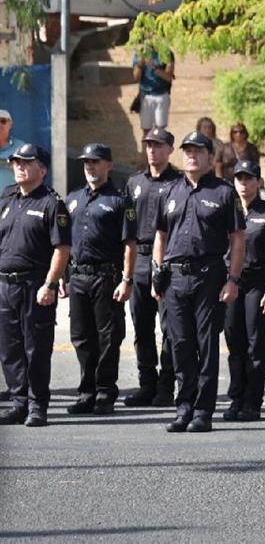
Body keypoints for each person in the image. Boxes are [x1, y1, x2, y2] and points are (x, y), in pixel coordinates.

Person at [153, 131, 245, 433]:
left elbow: (237, 238)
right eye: (187, 150)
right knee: (179, 344)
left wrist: (233, 279)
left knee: (206, 346)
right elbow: (160, 235)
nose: (191, 155)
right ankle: (184, 408)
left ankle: (203, 411)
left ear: (209, 156)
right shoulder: (170, 191)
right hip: (175, 276)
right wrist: (158, 270)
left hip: (209, 275)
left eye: (197, 150)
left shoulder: (224, 192)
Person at [0, 144, 69, 427]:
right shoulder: (6, 199)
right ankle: (18, 402)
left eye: (26, 162)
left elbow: (62, 248)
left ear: (42, 169)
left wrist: (50, 283)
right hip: (5, 285)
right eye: (16, 162)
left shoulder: (51, 203)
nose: (19, 166)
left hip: (34, 285)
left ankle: (37, 404)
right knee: (9, 348)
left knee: (36, 348)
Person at [64, 143, 136, 417]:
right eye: (86, 163)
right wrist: (61, 276)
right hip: (78, 277)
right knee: (81, 338)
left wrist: (127, 279)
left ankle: (105, 393)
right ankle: (87, 393)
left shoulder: (119, 200)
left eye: (95, 162)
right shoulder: (72, 199)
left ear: (109, 164)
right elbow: (65, 243)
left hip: (106, 278)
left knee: (108, 338)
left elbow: (129, 243)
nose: (90, 167)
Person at [223, 160, 265, 422]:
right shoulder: (227, 211)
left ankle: (252, 402)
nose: (244, 184)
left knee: (255, 345)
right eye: (239, 178)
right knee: (234, 344)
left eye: (249, 178)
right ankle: (236, 399)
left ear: (258, 182)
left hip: (258, 285)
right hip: (232, 283)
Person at [123, 128, 182, 407]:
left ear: (169, 149)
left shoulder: (179, 183)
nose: (151, 150)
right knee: (142, 327)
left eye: (158, 145)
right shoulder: (135, 182)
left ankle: (166, 385)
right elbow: (126, 231)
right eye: (148, 145)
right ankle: (147, 383)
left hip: (168, 261)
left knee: (169, 327)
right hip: (139, 260)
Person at [132, 48, 175, 134]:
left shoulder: (166, 53)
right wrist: (140, 65)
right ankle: (145, 148)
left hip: (161, 95)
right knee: (146, 131)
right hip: (145, 96)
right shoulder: (140, 53)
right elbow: (136, 78)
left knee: (159, 131)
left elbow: (168, 77)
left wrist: (154, 68)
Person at [0, 109, 27, 190]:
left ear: (10, 124)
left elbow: (28, 172)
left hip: (12, 201)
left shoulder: (20, 147)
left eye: (3, 121)